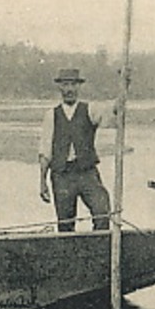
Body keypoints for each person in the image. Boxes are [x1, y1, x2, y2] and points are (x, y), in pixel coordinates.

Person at [37, 68, 119, 232]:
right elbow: (45, 152)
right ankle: (69, 256)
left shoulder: (89, 110)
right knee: (65, 222)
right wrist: (42, 182)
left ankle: (100, 251)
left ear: (78, 87)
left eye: (73, 85)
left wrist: (124, 90)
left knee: (102, 212)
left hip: (86, 173)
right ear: (60, 87)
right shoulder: (51, 116)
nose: (69, 89)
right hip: (62, 175)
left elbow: (111, 111)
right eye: (65, 85)